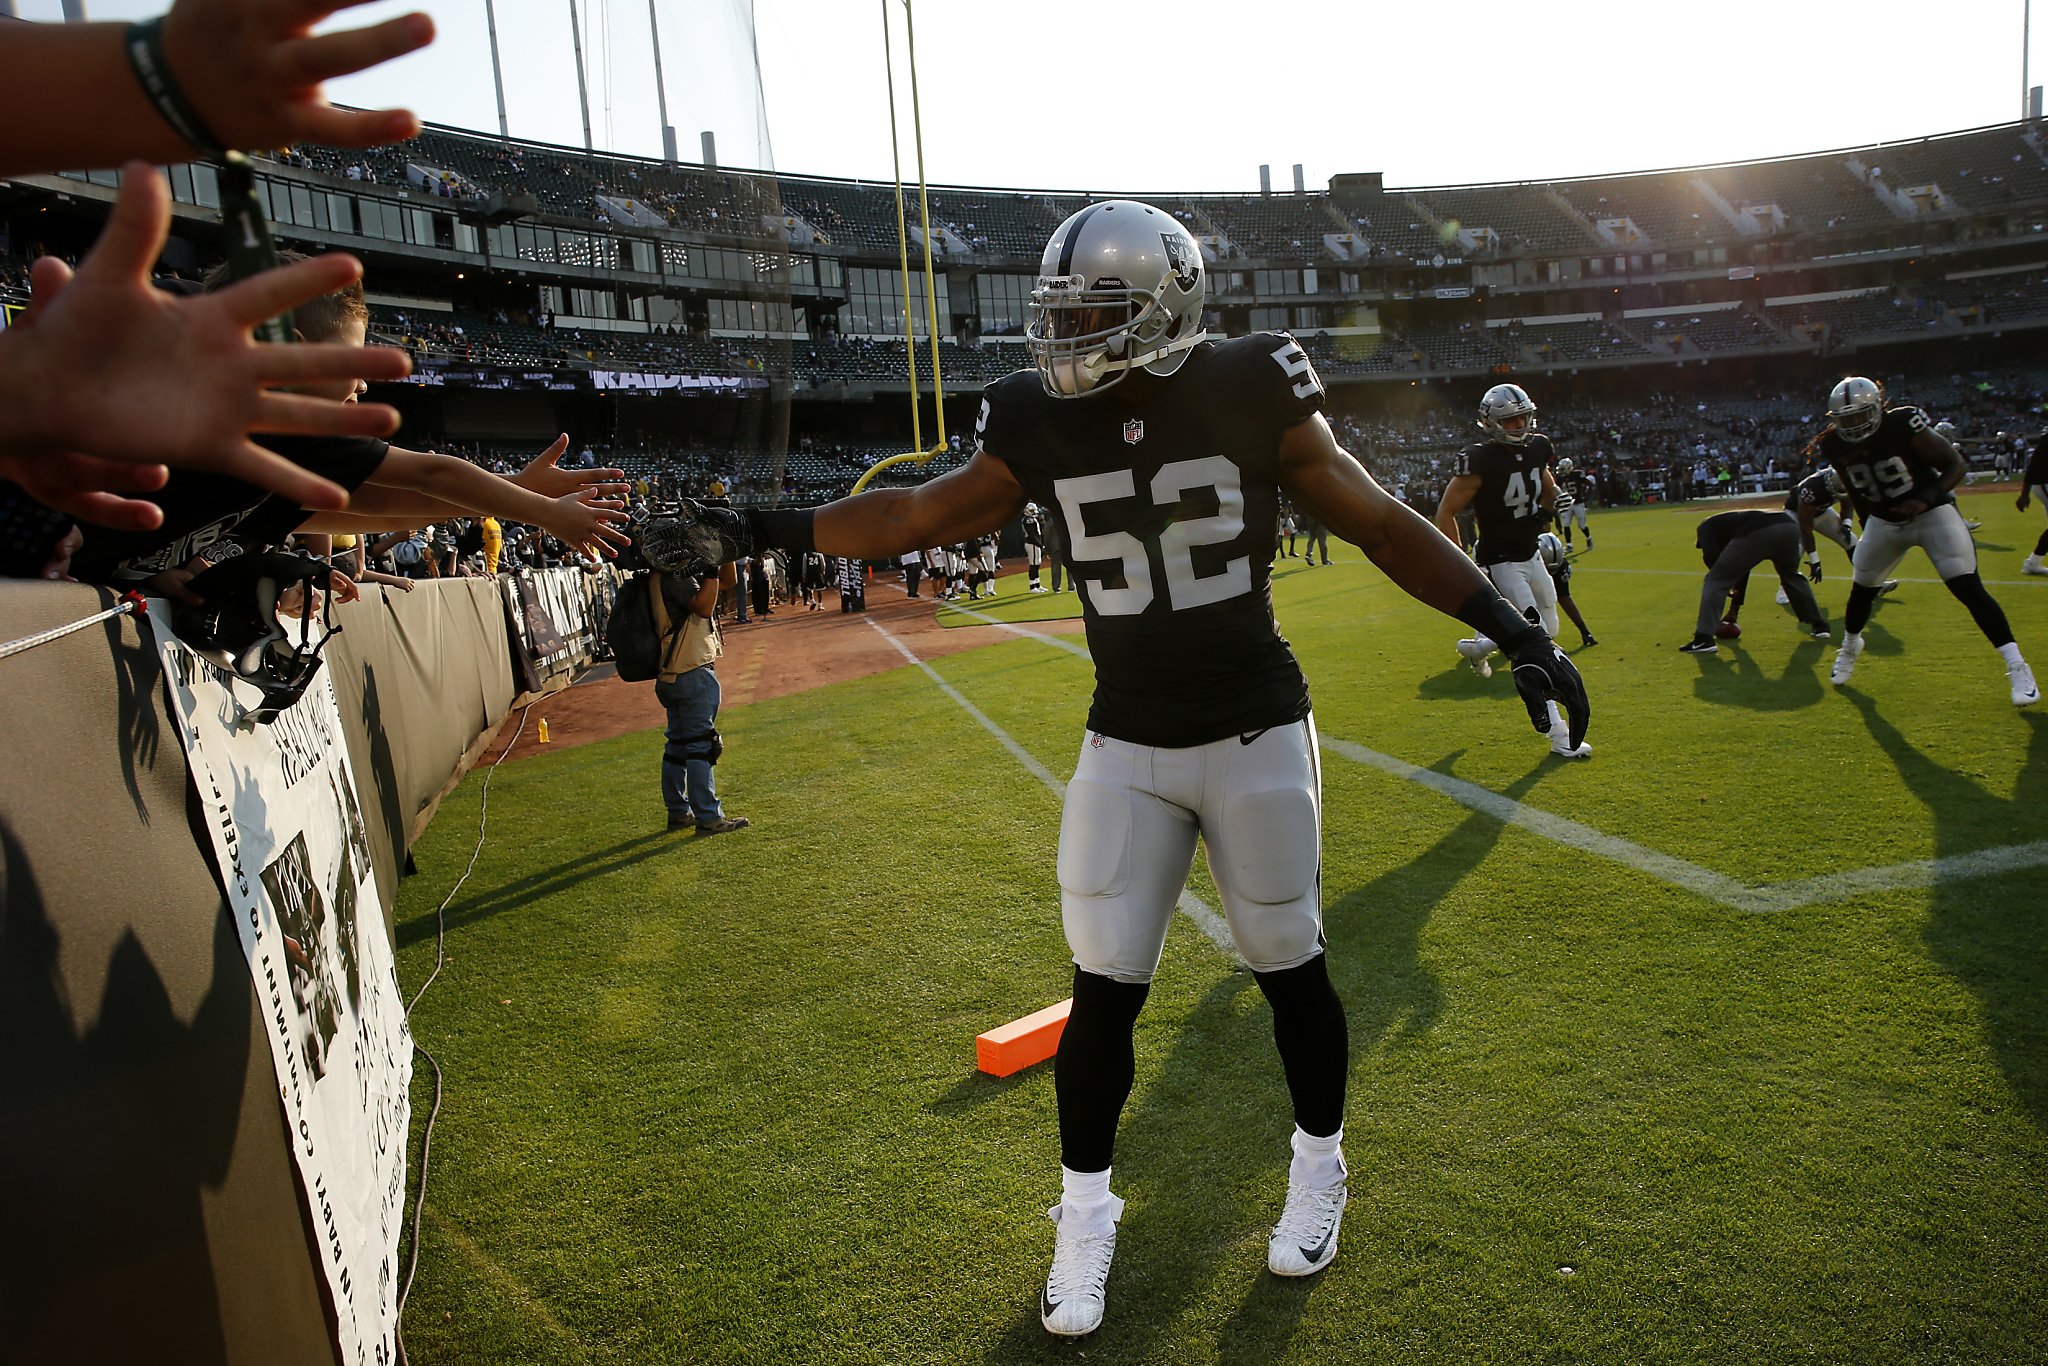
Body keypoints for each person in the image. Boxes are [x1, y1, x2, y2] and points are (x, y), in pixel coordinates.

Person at [675, 199, 1588, 1338]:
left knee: (1284, 961)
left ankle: (1318, 1163)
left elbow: (1382, 524)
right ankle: (1082, 1212)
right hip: (1127, 738)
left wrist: (1520, 632)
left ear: (1165, 302)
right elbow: (918, 511)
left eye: (1093, 310)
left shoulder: (1251, 379)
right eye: (1058, 312)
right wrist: (757, 526)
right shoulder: (1034, 416)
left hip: (1253, 726)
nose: (1066, 335)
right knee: (1103, 984)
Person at [1811, 377, 2036, 705]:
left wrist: (1926, 498)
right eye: (1846, 419)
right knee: (1862, 590)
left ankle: (2017, 666)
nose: (1854, 425)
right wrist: (1865, 519)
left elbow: (1955, 465)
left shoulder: (1902, 423)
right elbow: (1852, 485)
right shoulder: (1832, 443)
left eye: (1860, 415)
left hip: (1931, 514)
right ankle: (1850, 646)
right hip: (1885, 522)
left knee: (1967, 588)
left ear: (1877, 408)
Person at [1435, 383, 1590, 758]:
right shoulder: (1480, 460)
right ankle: (1560, 736)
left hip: (1531, 552)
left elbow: (1546, 489)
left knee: (1550, 628)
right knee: (1537, 647)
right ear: (1491, 423)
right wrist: (1460, 559)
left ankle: (1479, 647)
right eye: (1510, 419)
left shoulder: (1538, 447)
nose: (1519, 424)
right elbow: (1445, 512)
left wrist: (1558, 499)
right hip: (1500, 558)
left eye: (1523, 417)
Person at [650, 563, 747, 836]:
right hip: (690, 669)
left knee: (678, 745)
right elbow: (703, 606)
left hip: (672, 672)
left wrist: (723, 556)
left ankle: (679, 812)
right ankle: (708, 816)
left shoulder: (658, 572)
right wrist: (711, 567)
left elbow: (726, 582)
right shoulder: (673, 571)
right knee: (701, 746)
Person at [1678, 508, 1831, 653]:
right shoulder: (1729, 523)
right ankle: (1820, 626)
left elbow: (1710, 556)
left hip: (1759, 531)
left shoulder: (1705, 527)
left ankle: (1703, 639)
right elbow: (1742, 569)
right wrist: (1734, 608)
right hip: (1789, 526)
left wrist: (1728, 580)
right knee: (1791, 576)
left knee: (1715, 579)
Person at [1537, 531, 1596, 647]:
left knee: (1550, 626)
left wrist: (1584, 630)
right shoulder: (1525, 565)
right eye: (1548, 569)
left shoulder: (1561, 566)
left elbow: (1564, 597)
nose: (1551, 573)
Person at [2018, 434, 2048, 576]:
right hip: (2044, 483)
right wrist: (2024, 494)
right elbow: (2033, 466)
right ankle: (2032, 563)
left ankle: (2033, 563)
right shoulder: (2046, 440)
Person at [1552, 455, 1593, 549]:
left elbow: (1589, 484)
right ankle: (1569, 545)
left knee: (1581, 525)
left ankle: (1588, 538)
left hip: (1578, 503)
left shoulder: (1577, 474)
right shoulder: (1560, 478)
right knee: (1566, 524)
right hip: (1566, 504)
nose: (1561, 471)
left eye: (1563, 469)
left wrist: (1587, 497)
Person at [1022, 501, 1049, 591]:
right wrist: (1040, 544)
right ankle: (1032, 586)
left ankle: (1037, 585)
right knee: (1033, 564)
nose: (1034, 512)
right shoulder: (1028, 520)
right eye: (1032, 510)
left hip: (1034, 543)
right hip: (1032, 543)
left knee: (1037, 564)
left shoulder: (1032, 519)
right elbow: (1032, 535)